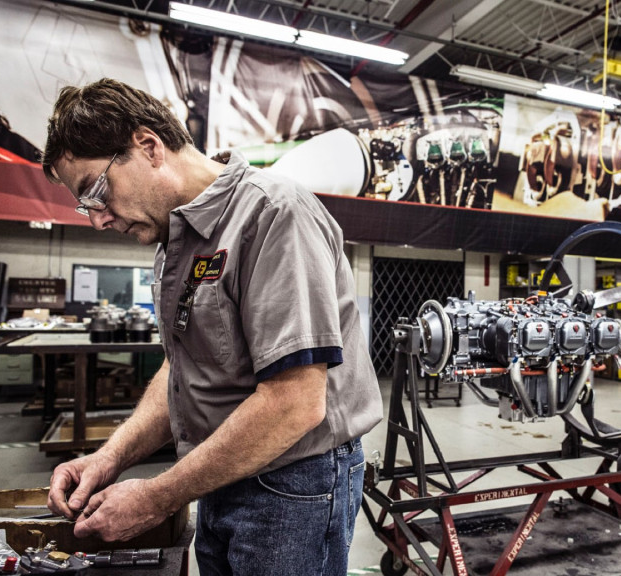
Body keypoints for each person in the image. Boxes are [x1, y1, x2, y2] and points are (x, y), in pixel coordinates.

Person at [41, 78, 383, 576]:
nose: (97, 219)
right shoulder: (176, 240)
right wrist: (109, 458)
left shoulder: (273, 214)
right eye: (85, 205)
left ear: (149, 146)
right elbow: (184, 367)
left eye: (95, 190)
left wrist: (156, 497)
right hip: (217, 471)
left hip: (292, 488)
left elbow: (294, 402)